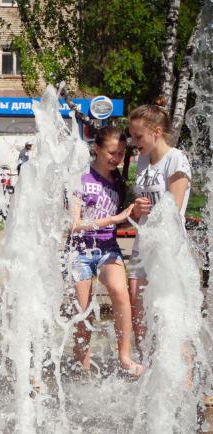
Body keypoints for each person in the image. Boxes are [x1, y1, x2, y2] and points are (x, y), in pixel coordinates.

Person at [69, 126, 142, 377]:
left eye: (121, 153)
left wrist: (131, 216)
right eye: (112, 152)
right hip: (80, 251)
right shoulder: (80, 177)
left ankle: (124, 356)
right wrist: (114, 219)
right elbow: (74, 224)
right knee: (84, 311)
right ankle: (83, 365)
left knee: (121, 295)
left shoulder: (118, 182)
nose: (117, 158)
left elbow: (118, 219)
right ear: (96, 149)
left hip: (108, 248)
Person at [128, 97, 191, 355]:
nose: (134, 142)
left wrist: (149, 210)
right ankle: (147, 369)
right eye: (132, 136)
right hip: (143, 244)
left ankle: (182, 383)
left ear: (156, 132)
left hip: (167, 248)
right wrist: (136, 208)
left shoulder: (175, 159)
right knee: (138, 310)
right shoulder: (143, 161)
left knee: (171, 317)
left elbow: (173, 208)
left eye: (138, 136)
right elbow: (145, 199)